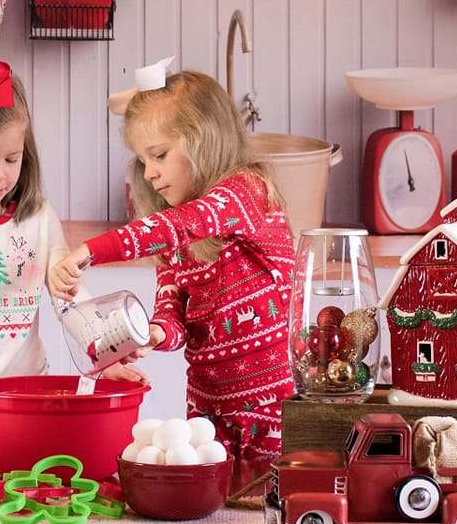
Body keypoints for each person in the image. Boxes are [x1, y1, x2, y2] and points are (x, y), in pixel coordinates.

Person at [48, 70, 294, 496]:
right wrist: (153, 334)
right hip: (205, 408)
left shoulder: (248, 192)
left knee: (267, 515)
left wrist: (90, 251)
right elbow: (174, 314)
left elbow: (184, 223)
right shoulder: (176, 241)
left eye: (159, 154)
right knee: (214, 518)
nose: (149, 173)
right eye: (143, 161)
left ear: (203, 139)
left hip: (273, 405)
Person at [0, 61, 146, 416]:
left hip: (25, 397)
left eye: (10, 158)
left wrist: (103, 354)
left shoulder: (38, 217)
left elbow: (70, 295)